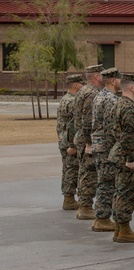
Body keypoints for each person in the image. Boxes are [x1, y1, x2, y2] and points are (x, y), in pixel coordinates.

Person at [107, 73, 134, 243]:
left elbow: (114, 130)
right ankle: (124, 230)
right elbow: (129, 135)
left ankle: (119, 228)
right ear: (131, 87)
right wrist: (131, 158)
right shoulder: (129, 107)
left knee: (120, 191)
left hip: (118, 153)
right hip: (127, 156)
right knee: (127, 193)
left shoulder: (117, 103)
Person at [90, 67, 121, 233]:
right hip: (106, 147)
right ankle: (102, 218)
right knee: (108, 183)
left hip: (99, 144)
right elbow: (111, 127)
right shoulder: (110, 99)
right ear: (114, 81)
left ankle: (99, 217)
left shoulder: (99, 95)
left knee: (104, 181)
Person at [73, 64, 104, 220]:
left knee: (85, 172)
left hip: (82, 138)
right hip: (88, 139)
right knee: (89, 174)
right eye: (102, 74)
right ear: (97, 76)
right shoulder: (91, 93)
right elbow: (87, 121)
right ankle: (85, 206)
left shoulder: (85, 91)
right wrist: (89, 143)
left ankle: (84, 204)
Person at [57, 74, 84, 211]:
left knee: (67, 169)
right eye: (81, 84)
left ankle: (68, 198)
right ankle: (69, 199)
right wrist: (73, 145)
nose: (83, 86)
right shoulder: (73, 102)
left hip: (63, 139)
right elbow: (73, 125)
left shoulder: (64, 99)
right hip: (69, 141)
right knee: (72, 170)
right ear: (75, 85)